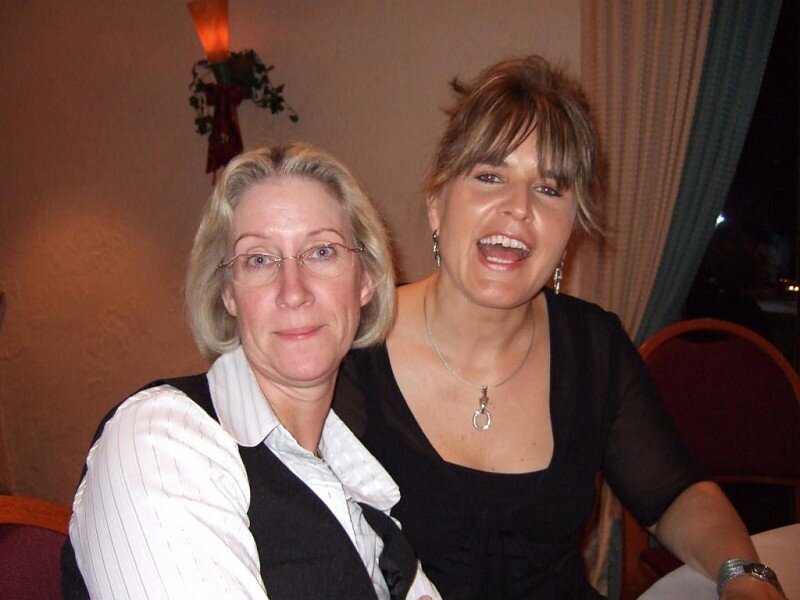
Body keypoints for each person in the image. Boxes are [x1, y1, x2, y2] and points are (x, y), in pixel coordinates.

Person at [333, 56, 786, 599]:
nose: (518, 208)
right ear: (436, 204)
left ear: (572, 227)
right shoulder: (352, 347)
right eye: (489, 176)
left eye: (549, 189)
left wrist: (745, 576)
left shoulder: (595, 347)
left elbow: (674, 494)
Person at [62, 142, 441, 600]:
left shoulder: (357, 475)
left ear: (366, 280)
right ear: (228, 293)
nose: (293, 291)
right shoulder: (159, 441)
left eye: (322, 252)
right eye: (259, 260)